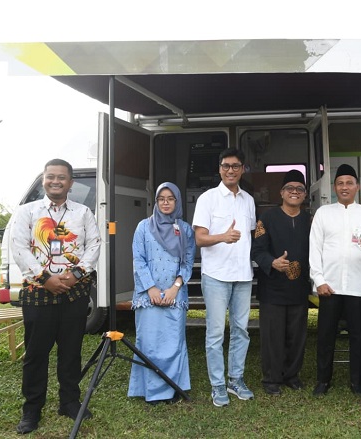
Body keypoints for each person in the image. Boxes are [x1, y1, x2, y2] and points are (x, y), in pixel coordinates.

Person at [11, 159, 101, 434]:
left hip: (75, 294)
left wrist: (76, 274)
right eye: (50, 176)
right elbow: (19, 248)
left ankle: (69, 402)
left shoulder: (83, 213)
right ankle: (32, 409)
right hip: (38, 294)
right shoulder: (27, 212)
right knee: (36, 354)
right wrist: (45, 279)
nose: (56, 181)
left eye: (62, 177)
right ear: (43, 180)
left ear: (71, 183)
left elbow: (94, 245)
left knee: (71, 351)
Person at [309, 164, 361, 396]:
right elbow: (314, 249)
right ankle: (323, 380)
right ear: (334, 187)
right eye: (340, 183)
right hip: (329, 285)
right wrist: (318, 280)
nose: (344, 187)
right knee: (325, 335)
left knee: (358, 336)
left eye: (349, 183)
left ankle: (357, 382)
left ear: (357, 186)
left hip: (358, 286)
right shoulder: (323, 213)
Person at [192, 147, 256, 407]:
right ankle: (217, 384)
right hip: (216, 275)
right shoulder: (207, 199)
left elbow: (251, 234)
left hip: (243, 275)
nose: (231, 170)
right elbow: (199, 239)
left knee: (241, 330)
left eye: (236, 166)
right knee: (216, 333)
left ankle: (235, 379)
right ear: (219, 169)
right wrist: (222, 236)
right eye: (226, 166)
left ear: (242, 169)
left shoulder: (248, 200)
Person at [128, 182, 196, 405]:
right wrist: (151, 288)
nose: (166, 203)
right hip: (149, 296)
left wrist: (175, 288)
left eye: (170, 199)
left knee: (173, 343)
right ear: (156, 201)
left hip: (175, 295)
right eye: (161, 199)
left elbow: (187, 262)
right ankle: (151, 391)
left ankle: (172, 389)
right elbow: (139, 260)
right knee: (149, 343)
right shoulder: (143, 227)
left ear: (177, 201)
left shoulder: (185, 229)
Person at [251, 170, 311, 395]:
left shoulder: (310, 220)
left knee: (297, 336)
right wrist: (272, 262)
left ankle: (292, 376)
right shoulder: (267, 218)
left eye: (299, 189)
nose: (295, 192)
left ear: (305, 194)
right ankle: (271, 378)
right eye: (290, 188)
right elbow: (257, 250)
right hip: (272, 288)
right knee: (272, 337)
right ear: (282, 192)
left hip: (299, 288)